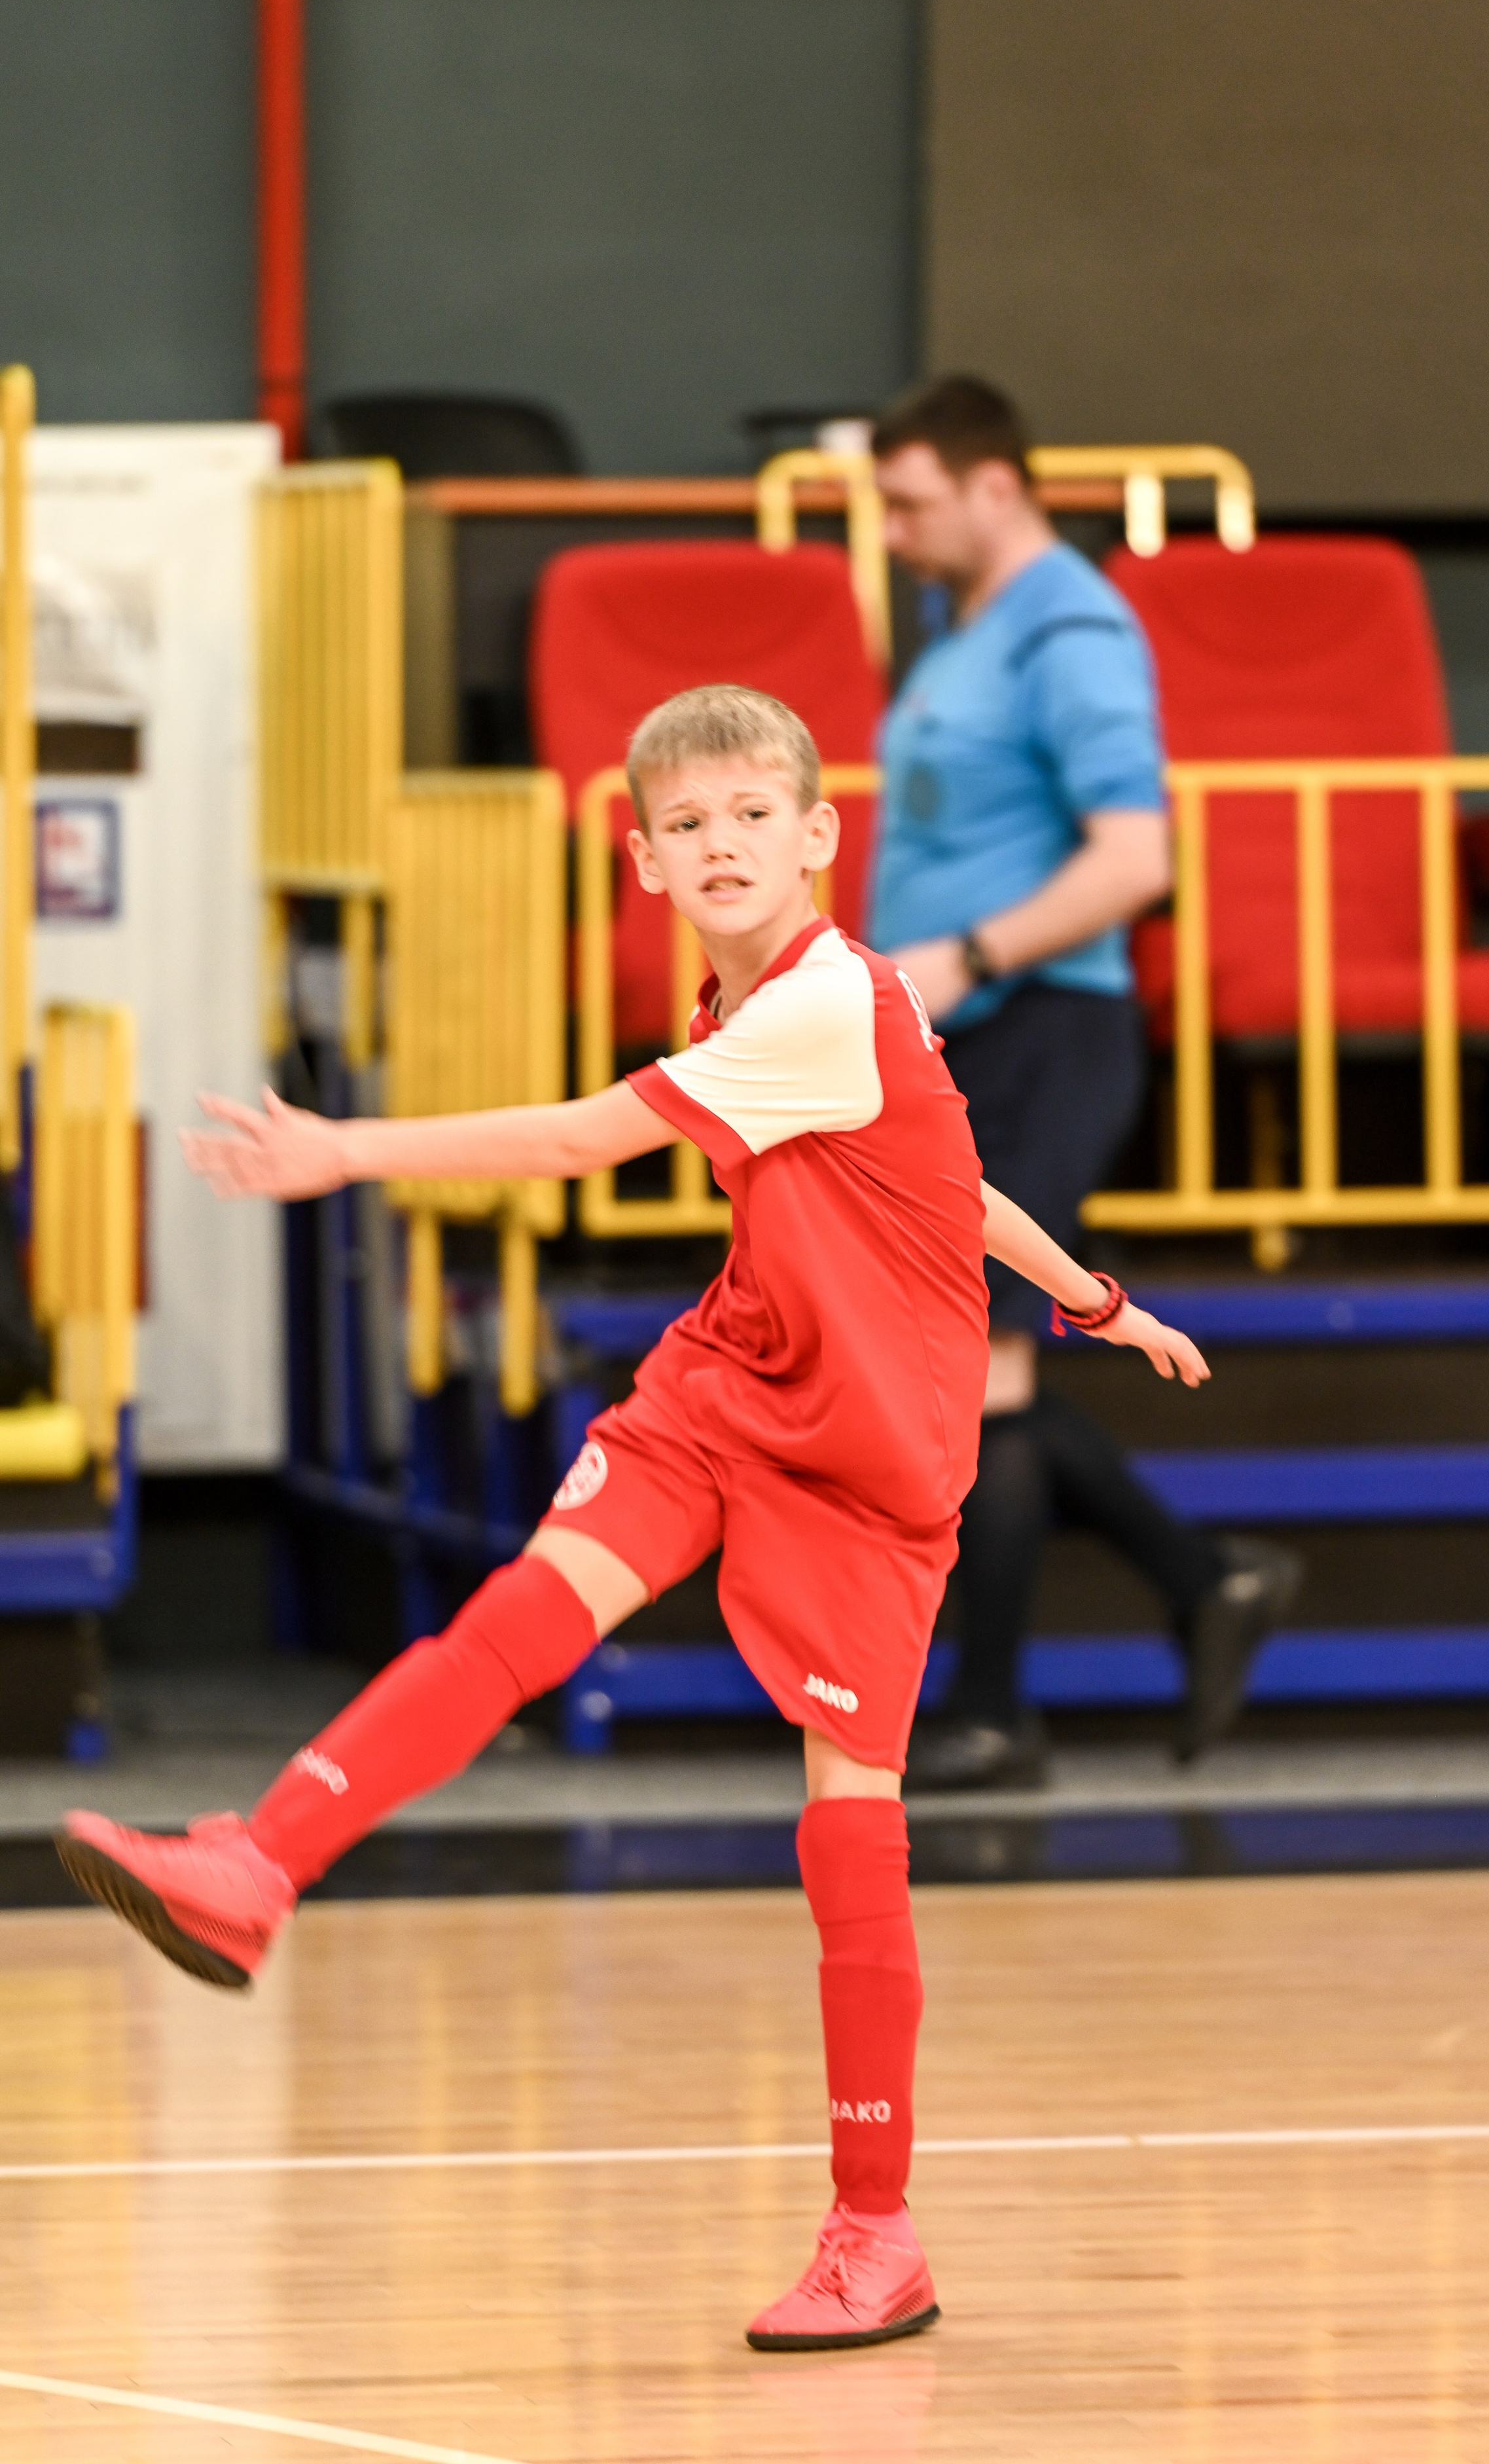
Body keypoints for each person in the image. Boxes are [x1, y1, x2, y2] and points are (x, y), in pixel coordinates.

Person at [56, 684, 1210, 2356]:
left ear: (819, 838)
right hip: (730, 1381)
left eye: (752, 814)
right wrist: (1088, 1295)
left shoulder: (823, 1002)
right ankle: (253, 1865)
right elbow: (954, 1178)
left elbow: (592, 1138)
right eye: (687, 824)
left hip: (871, 1462)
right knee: (520, 1617)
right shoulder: (767, 1002)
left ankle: (872, 2233)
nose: (720, 842)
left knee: (845, 1825)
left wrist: (344, 1149)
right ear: (644, 860)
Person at [867, 376, 1301, 1790]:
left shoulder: (1069, 627)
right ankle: (1203, 1582)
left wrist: (963, 953)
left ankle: (995, 1714)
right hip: (974, 1038)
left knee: (981, 1375)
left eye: (911, 499)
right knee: (962, 1371)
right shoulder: (961, 625)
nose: (891, 528)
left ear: (997, 486)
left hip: (1047, 1026)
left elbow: (1136, 860)